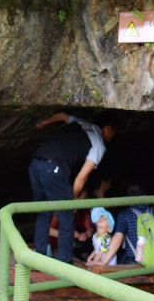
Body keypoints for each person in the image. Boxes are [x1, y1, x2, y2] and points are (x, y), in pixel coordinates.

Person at [29, 112, 115, 263]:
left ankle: (39, 258)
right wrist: (73, 200)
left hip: (35, 164)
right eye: (114, 131)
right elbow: (82, 176)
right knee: (66, 217)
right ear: (107, 129)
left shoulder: (82, 123)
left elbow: (62, 116)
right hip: (53, 168)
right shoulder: (99, 144)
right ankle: (65, 263)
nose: (113, 135)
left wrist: (44, 122)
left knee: (44, 213)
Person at [104, 186, 154, 266]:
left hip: (135, 261)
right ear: (146, 197)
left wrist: (104, 262)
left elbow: (118, 237)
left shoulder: (124, 215)